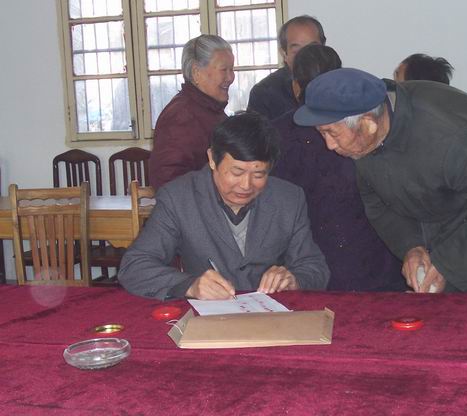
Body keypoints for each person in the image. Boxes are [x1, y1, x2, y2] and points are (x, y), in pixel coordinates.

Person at [294, 68, 467, 293]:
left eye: (331, 133)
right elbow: (378, 202)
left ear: (368, 124)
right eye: (322, 133)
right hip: (440, 256)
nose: (329, 145)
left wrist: (447, 264)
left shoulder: (457, 136)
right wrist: (411, 246)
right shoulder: (364, 137)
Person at [119, 112, 330, 300]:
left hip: (273, 317)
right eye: (236, 172)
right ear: (212, 159)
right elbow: (134, 266)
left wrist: (294, 279)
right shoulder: (179, 198)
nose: (246, 185)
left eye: (259, 175)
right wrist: (190, 285)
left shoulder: (289, 199)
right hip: (207, 318)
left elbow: (315, 268)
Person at [271, 44, 406, 292]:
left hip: (311, 260)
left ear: (296, 86)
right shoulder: (368, 128)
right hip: (376, 258)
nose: (330, 144)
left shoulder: (278, 134)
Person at [149, 35, 235, 190]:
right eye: (224, 70)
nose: (231, 77)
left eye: (232, 69)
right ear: (196, 73)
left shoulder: (210, 110)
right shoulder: (181, 117)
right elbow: (168, 182)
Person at [247, 15, 326, 120]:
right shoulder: (263, 93)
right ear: (284, 54)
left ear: (324, 48)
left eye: (312, 48)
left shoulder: (339, 85)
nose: (306, 57)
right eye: (297, 51)